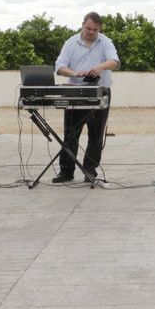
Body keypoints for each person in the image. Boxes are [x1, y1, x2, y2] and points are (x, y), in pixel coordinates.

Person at [52, 12, 119, 183]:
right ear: (83, 25)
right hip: (75, 92)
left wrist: (100, 67)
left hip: (100, 91)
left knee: (96, 136)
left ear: (99, 29)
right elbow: (59, 66)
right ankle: (66, 171)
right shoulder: (70, 42)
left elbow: (115, 61)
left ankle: (90, 172)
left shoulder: (105, 42)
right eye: (88, 28)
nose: (91, 32)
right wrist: (75, 73)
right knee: (70, 134)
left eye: (95, 30)